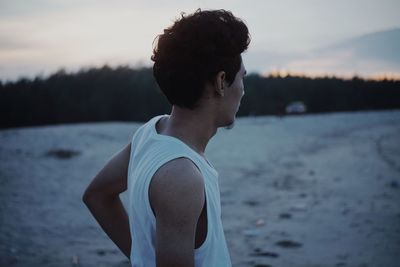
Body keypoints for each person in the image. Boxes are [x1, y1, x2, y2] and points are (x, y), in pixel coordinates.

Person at [82, 8, 250, 267]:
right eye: (242, 78)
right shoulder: (182, 176)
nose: (243, 90)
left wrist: (142, 255)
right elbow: (97, 196)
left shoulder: (150, 132)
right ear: (221, 81)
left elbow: (97, 195)